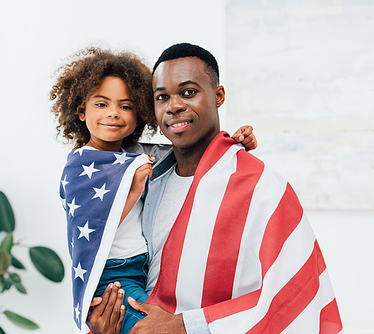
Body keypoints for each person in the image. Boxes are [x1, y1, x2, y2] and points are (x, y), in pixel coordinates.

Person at [87, 43, 343, 334]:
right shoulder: (144, 178)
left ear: (218, 95)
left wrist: (184, 325)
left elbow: (296, 296)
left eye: (188, 92)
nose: (174, 106)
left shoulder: (263, 189)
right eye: (162, 97)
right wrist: (106, 323)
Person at [50, 46, 257, 334]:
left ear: (139, 115)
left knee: (169, 322)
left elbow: (189, 148)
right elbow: (90, 225)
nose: (113, 114)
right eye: (101, 104)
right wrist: (132, 191)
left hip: (141, 270)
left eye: (125, 106)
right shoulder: (80, 165)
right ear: (80, 112)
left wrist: (234, 141)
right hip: (113, 276)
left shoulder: (133, 154)